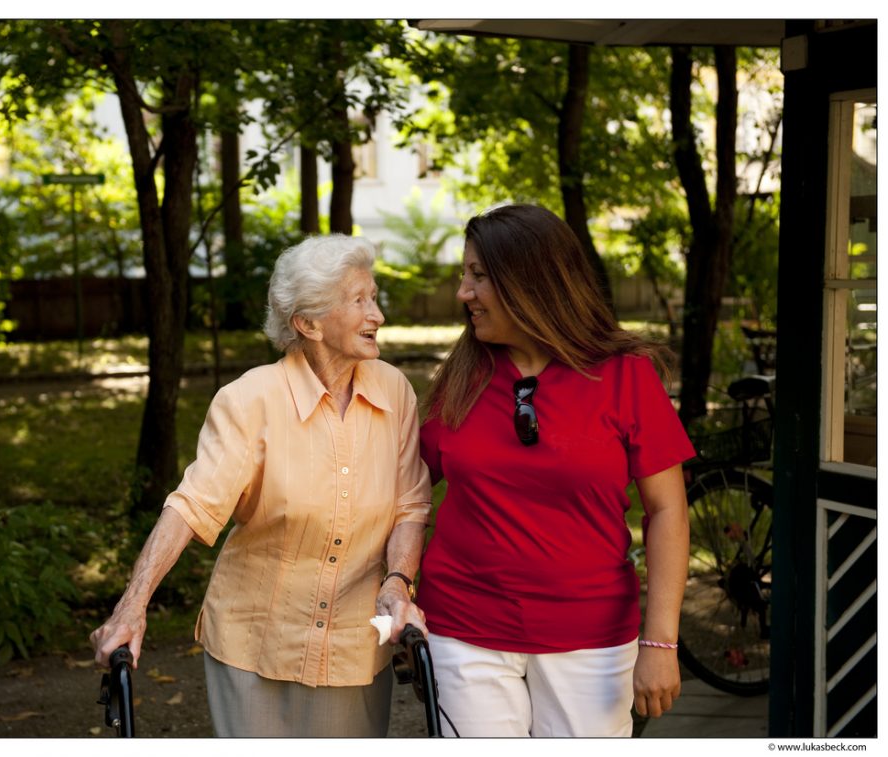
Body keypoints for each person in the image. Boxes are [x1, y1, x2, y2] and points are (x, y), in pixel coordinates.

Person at [90, 234, 432, 737]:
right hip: (255, 640)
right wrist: (132, 606)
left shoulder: (394, 392)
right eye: (359, 301)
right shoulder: (249, 401)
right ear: (308, 323)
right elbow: (192, 505)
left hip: (353, 646)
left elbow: (410, 506)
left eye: (374, 297)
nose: (376, 315)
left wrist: (397, 582)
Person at [417, 203, 694, 737]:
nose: (462, 293)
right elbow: (402, 494)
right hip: (464, 629)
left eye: (478, 276)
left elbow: (667, 510)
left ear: (530, 283)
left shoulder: (624, 376)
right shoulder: (460, 377)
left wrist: (660, 642)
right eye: (464, 275)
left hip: (591, 635)